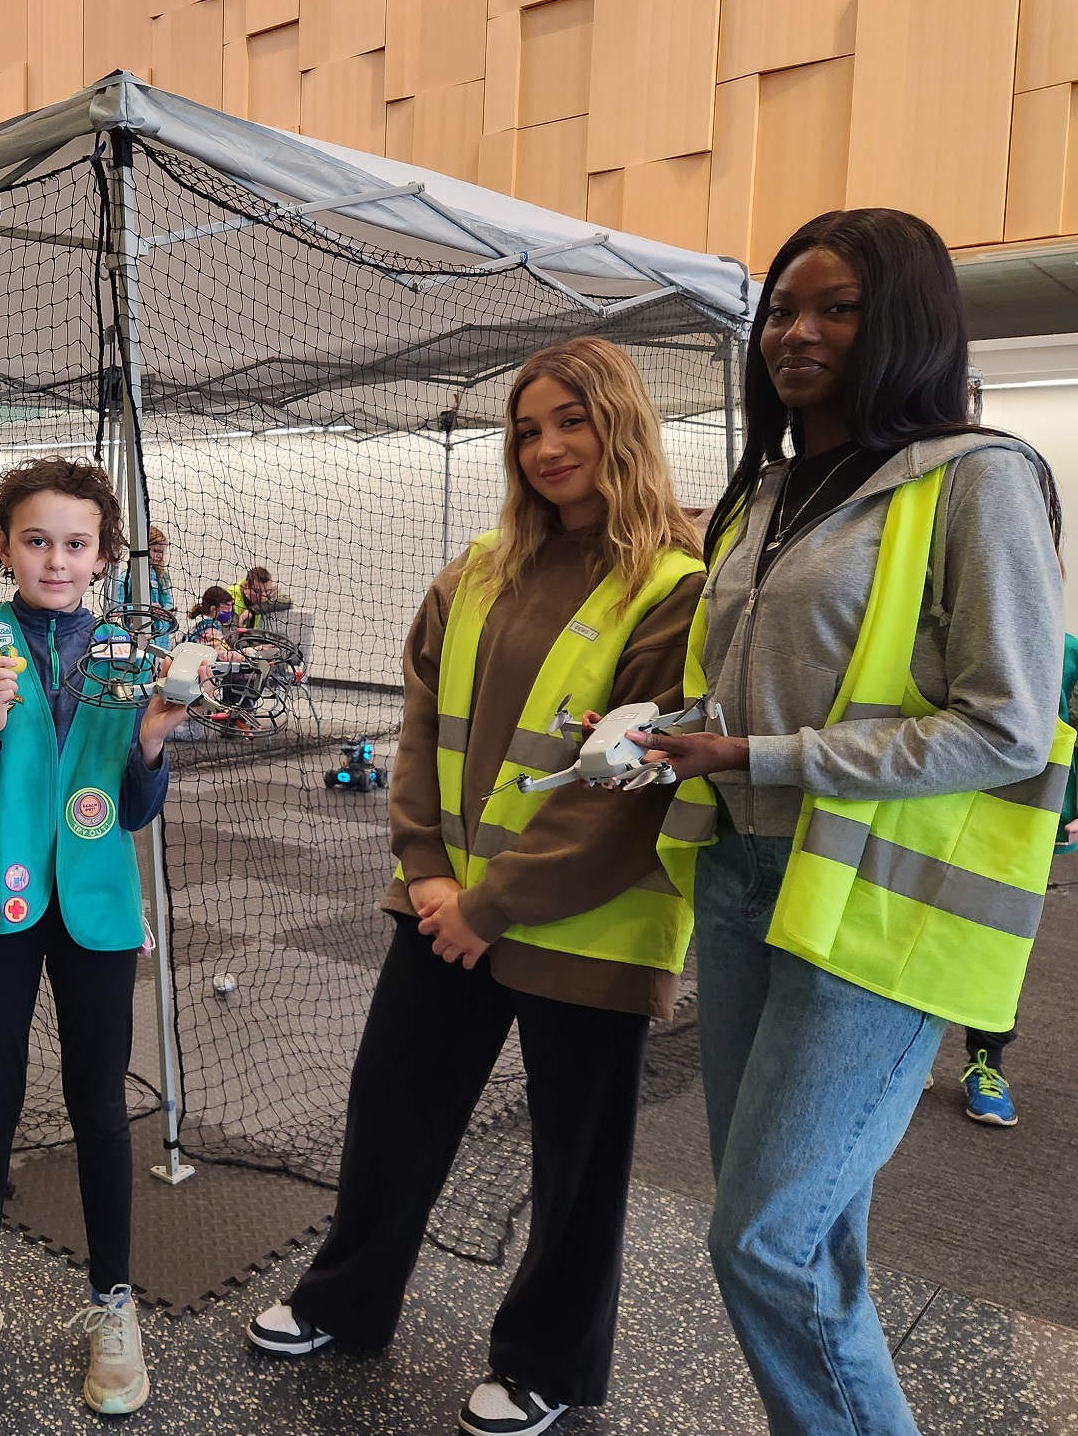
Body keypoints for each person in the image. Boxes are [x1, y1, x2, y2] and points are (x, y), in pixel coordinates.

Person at [635, 209, 1069, 1436]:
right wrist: (664, 729)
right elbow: (757, 680)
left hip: (875, 898)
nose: (797, 333)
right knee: (807, 1239)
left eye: (837, 308)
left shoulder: (976, 479)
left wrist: (757, 750)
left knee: (763, 1241)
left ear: (907, 323)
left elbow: (1010, 725)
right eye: (781, 309)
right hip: (738, 872)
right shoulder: (765, 492)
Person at [247, 336, 705, 1436]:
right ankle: (346, 1302)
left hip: (587, 924)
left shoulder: (676, 591)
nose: (547, 447)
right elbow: (418, 736)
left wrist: (487, 905)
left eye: (571, 422)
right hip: (441, 906)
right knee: (392, 1114)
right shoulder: (474, 573)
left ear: (621, 428)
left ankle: (548, 1362)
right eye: (527, 428)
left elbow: (633, 793)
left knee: (577, 1162)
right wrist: (426, 875)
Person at [0, 456, 190, 1415]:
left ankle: (113, 1301)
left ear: (103, 554)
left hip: (97, 911)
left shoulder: (128, 656)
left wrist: (150, 739)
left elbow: (138, 807)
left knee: (100, 1109)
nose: (55, 559)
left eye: (75, 544)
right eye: (36, 541)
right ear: (3, 546)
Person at [953, 627, 1078, 1128]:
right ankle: (909, 1044)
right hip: (944, 804)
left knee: (998, 947)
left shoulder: (1065, 650)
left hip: (1026, 820)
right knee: (920, 926)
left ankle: (987, 1063)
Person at [105, 524, 176, 646]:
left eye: (161, 552)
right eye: (155, 551)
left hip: (159, 634)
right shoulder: (129, 575)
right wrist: (141, 610)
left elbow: (168, 602)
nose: (158, 555)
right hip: (135, 631)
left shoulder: (162, 576)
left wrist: (162, 610)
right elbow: (118, 606)